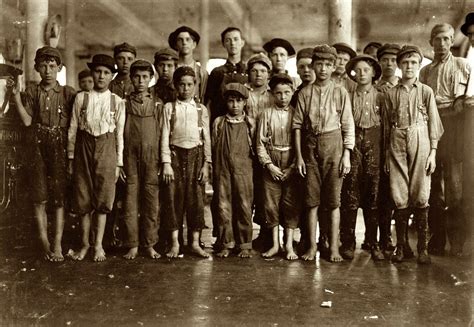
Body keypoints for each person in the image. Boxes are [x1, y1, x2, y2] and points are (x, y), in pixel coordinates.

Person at [7, 46, 76, 261]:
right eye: (43, 66)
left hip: (60, 146)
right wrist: (16, 96)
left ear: (60, 68)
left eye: (52, 66)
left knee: (59, 197)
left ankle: (57, 244)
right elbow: (27, 121)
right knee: (39, 196)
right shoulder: (32, 92)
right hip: (36, 144)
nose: (48, 70)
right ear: (37, 68)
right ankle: (45, 243)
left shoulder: (68, 93)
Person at [293, 44, 355, 262]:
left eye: (328, 65)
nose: (323, 69)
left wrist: (346, 154)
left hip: (334, 146)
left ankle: (335, 248)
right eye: (319, 64)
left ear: (333, 66)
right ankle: (311, 247)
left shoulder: (340, 91)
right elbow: (297, 126)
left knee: (334, 202)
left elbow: (348, 125)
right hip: (310, 147)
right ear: (313, 66)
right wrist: (300, 157)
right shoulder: (305, 93)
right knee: (311, 201)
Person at [384, 45, 444, 264]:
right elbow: (386, 126)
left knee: (421, 193)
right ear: (399, 65)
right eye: (405, 63)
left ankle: (422, 249)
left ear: (419, 66)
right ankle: (401, 247)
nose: (409, 67)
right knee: (399, 194)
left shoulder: (426, 91)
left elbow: (434, 126)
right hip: (397, 140)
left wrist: (433, 154)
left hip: (421, 139)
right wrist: (386, 156)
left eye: (413, 63)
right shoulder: (391, 93)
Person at [67, 54, 126, 261]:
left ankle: (98, 245)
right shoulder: (81, 98)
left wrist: (118, 162)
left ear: (112, 76)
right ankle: (84, 245)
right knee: (83, 198)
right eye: (98, 71)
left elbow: (119, 134)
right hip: (83, 146)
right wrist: (71, 157)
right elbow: (73, 128)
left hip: (107, 147)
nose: (101, 76)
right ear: (92, 73)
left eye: (106, 72)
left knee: (103, 197)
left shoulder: (117, 102)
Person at [419, 24, 471, 257]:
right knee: (433, 188)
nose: (441, 44)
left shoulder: (464, 65)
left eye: (446, 39)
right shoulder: (425, 71)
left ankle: (457, 241)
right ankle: (437, 239)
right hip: (432, 127)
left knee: (455, 188)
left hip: (455, 127)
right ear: (431, 42)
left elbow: (465, 103)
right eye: (437, 39)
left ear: (452, 41)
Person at [161, 66, 211, 258]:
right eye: (181, 84)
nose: (186, 88)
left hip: (196, 156)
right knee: (173, 199)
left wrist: (206, 163)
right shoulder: (169, 108)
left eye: (190, 85)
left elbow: (206, 138)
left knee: (196, 200)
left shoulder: (201, 109)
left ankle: (194, 243)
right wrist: (165, 162)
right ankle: (175, 243)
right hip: (174, 155)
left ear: (195, 86)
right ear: (175, 86)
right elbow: (164, 136)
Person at [340, 54, 384, 261]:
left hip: (375, 147)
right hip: (353, 144)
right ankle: (348, 243)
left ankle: (372, 242)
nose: (362, 74)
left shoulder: (382, 96)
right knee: (350, 194)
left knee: (373, 197)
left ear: (374, 72)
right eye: (358, 71)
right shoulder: (347, 95)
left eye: (366, 70)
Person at [257, 73, 303, 260]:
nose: (282, 97)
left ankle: (289, 245)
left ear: (292, 92)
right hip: (272, 161)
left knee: (291, 204)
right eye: (278, 93)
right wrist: (269, 166)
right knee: (271, 204)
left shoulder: (296, 114)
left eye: (286, 92)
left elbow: (302, 144)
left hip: (291, 160)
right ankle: (275, 245)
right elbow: (259, 144)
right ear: (272, 94)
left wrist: (292, 167)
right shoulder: (266, 114)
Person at [121, 60, 163, 260]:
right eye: (136, 76)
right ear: (131, 78)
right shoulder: (124, 103)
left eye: (145, 77)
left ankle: (149, 244)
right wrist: (120, 160)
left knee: (151, 200)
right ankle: (132, 245)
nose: (140, 81)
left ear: (151, 79)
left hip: (152, 157)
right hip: (129, 156)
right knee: (130, 200)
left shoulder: (157, 104)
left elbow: (163, 133)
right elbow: (119, 132)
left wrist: (163, 160)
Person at [212, 83, 256, 258]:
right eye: (231, 101)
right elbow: (215, 145)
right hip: (222, 169)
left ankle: (244, 244)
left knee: (244, 205)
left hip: (244, 170)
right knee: (223, 206)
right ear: (226, 102)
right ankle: (225, 243)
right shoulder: (219, 123)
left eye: (239, 101)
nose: (235, 105)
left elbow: (255, 147)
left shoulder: (250, 123)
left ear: (245, 102)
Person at [245, 53, 273, 251]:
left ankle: (267, 236)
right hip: (245, 149)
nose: (258, 75)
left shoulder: (273, 94)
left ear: (268, 74)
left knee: (266, 194)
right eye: (254, 71)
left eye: (263, 71)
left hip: (267, 150)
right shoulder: (243, 93)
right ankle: (244, 236)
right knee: (248, 192)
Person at [375, 43, 402, 256]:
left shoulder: (404, 87)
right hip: (376, 145)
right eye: (385, 60)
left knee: (396, 193)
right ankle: (380, 238)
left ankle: (396, 239)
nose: (389, 64)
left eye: (393, 60)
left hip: (397, 145)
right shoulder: (373, 87)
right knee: (379, 194)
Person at [205, 27, 248, 125]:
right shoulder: (217, 72)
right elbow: (209, 103)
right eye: (228, 40)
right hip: (221, 124)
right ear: (224, 44)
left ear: (242, 42)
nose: (233, 43)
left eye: (236, 39)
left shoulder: (249, 71)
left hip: (244, 125)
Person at [168, 26, 208, 102]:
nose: (184, 43)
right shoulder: (171, 70)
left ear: (194, 44)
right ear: (176, 45)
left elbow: (203, 97)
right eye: (180, 40)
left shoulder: (201, 72)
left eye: (188, 40)